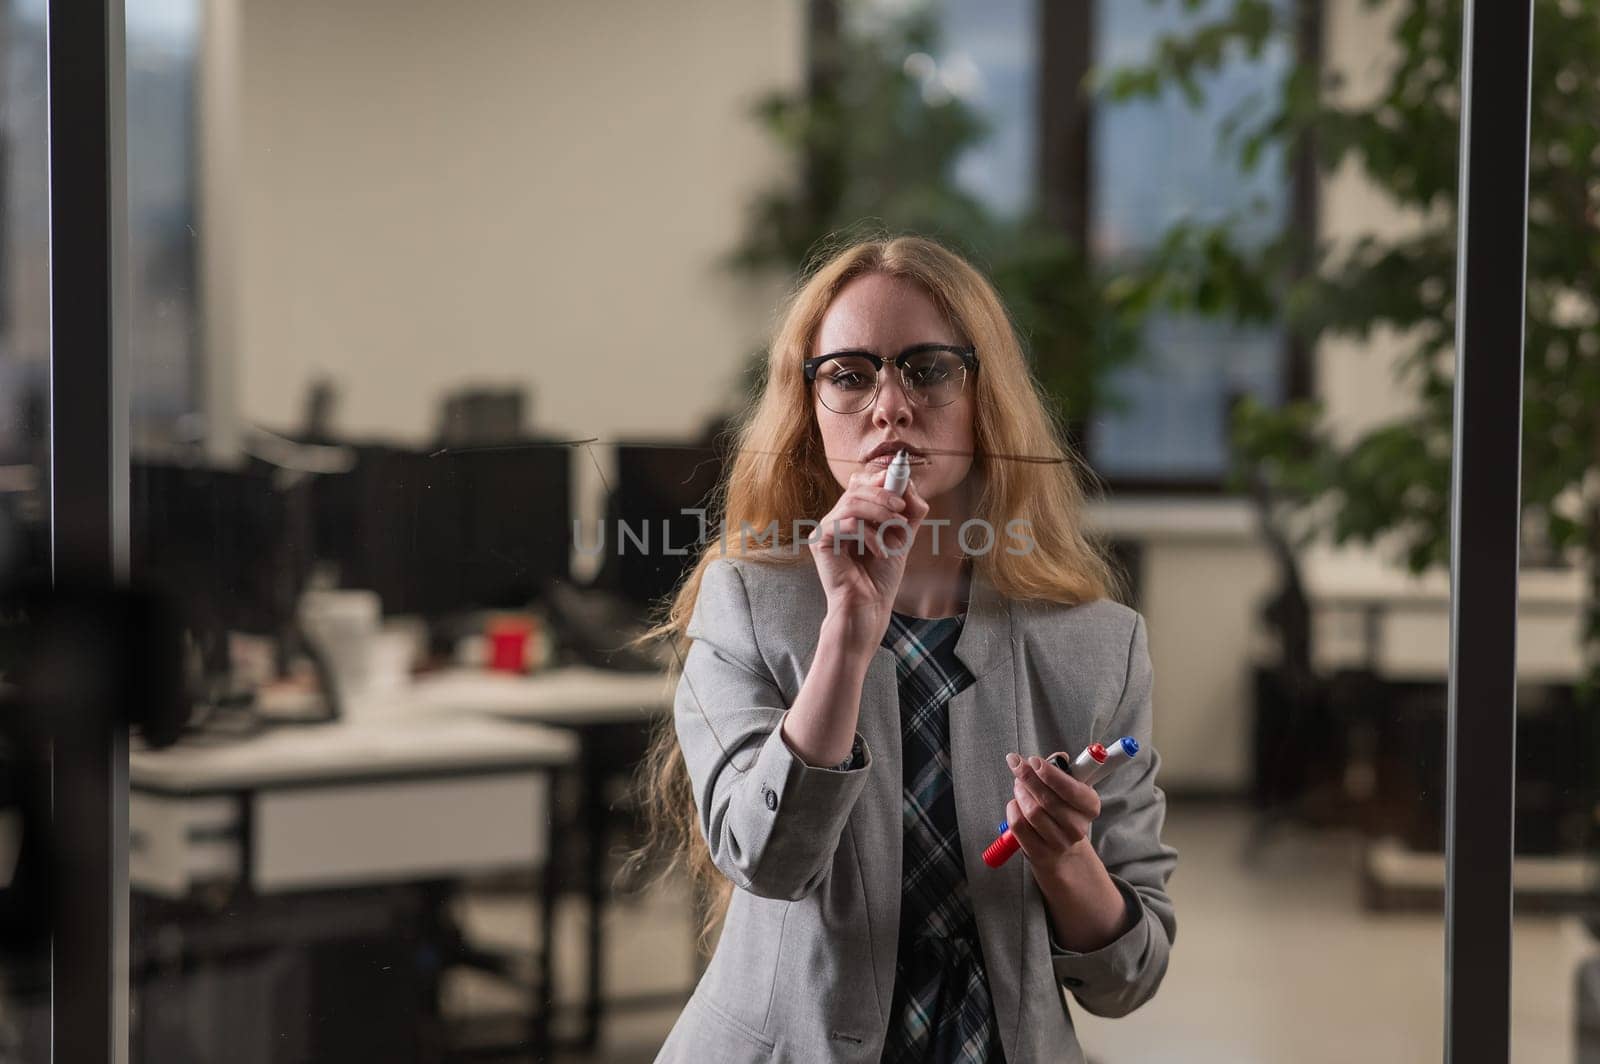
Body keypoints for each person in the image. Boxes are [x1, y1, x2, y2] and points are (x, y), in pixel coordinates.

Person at [637, 235, 1176, 1063]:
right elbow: (766, 860)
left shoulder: (1099, 646)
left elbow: (1129, 980)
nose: (889, 406)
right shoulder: (747, 603)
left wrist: (1067, 861)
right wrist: (848, 635)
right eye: (850, 375)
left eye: (927, 369)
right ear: (809, 409)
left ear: (983, 397)